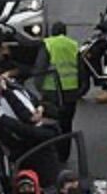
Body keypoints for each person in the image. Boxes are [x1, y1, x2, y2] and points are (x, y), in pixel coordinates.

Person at [32, 21, 86, 160]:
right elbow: (82, 70)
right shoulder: (73, 45)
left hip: (51, 92)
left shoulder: (48, 44)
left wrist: (39, 88)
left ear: (52, 32)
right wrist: (81, 90)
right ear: (65, 32)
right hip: (70, 93)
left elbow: (40, 68)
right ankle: (64, 155)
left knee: (51, 124)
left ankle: (53, 154)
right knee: (67, 124)